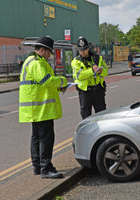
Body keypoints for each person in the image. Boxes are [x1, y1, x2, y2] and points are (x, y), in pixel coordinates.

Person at [19, 36, 67, 179]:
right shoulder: (37, 63)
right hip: (41, 108)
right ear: (42, 50)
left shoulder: (31, 61)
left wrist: (58, 88)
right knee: (46, 138)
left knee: (36, 138)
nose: (50, 54)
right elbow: (46, 81)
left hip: (35, 108)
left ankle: (38, 167)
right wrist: (63, 81)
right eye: (49, 52)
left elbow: (41, 84)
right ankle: (46, 169)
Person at [71, 36, 108, 119]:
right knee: (86, 116)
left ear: (88, 48)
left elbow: (106, 69)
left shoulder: (97, 58)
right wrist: (92, 70)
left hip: (98, 90)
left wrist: (101, 71)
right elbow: (79, 76)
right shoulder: (76, 61)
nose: (82, 52)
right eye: (80, 50)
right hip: (85, 92)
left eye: (84, 49)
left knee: (102, 115)